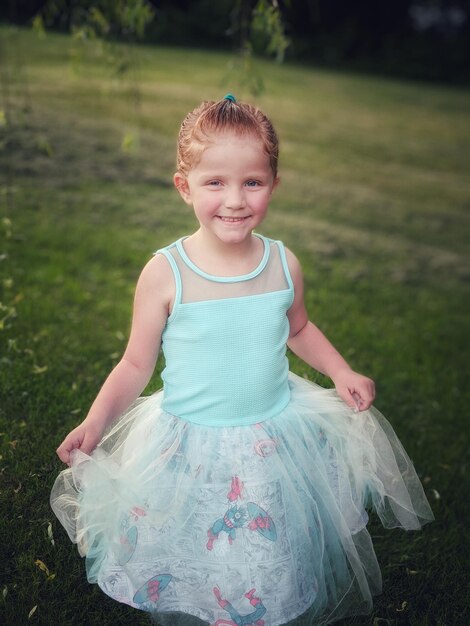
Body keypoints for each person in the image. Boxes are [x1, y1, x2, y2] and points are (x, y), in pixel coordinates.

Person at [51, 94, 434, 626]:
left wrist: (340, 369)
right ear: (184, 187)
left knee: (263, 547)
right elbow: (136, 364)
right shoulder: (166, 273)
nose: (235, 200)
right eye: (215, 183)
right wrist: (96, 422)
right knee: (196, 534)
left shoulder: (282, 263)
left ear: (273, 184)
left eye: (252, 182)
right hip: (190, 438)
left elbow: (297, 327)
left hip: (268, 437)